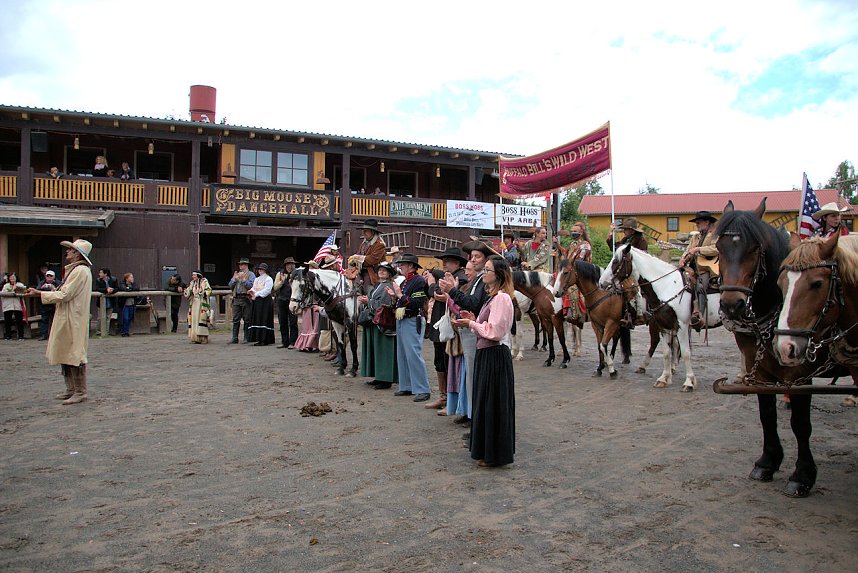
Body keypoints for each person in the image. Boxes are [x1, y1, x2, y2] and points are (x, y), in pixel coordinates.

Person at [452, 255, 516, 468]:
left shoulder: (502, 299)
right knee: (485, 403)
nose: (484, 273)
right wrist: (473, 321)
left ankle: (494, 454)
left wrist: (472, 324)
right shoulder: (492, 298)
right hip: (486, 354)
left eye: (488, 270)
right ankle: (487, 451)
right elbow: (486, 326)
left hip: (495, 355)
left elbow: (494, 332)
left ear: (498, 275)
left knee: (492, 405)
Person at [26, 239, 94, 405]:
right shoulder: (76, 270)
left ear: (77, 254)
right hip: (68, 315)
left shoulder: (80, 271)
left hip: (73, 317)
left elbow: (65, 294)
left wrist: (40, 294)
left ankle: (80, 391)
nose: (67, 252)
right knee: (66, 351)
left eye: (71, 250)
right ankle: (71, 389)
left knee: (74, 353)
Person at [439, 240, 493, 425]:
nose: (473, 260)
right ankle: (471, 414)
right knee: (469, 376)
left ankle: (475, 417)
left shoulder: (483, 280)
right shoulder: (478, 280)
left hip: (476, 331)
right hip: (470, 330)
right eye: (472, 257)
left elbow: (473, 303)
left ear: (486, 260)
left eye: (478, 257)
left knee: (474, 377)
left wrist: (452, 291)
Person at [423, 246, 468, 411]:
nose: (444, 264)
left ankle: (451, 400)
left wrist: (431, 284)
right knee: (439, 362)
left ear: (456, 263)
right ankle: (443, 397)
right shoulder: (449, 277)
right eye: (444, 261)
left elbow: (437, 293)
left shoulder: (460, 279)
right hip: (440, 325)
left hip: (450, 327)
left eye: (447, 261)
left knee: (449, 363)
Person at [386, 253, 431, 402]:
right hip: (403, 319)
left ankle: (423, 389)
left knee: (413, 354)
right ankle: (407, 385)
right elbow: (403, 300)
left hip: (412, 319)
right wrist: (395, 296)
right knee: (403, 354)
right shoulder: (406, 281)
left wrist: (399, 295)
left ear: (411, 266)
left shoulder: (418, 281)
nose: (400, 266)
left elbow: (417, 303)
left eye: (403, 264)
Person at [443, 261, 476, 416]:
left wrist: (450, 296)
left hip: (466, 336)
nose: (466, 272)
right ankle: (461, 409)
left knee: (465, 375)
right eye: (466, 269)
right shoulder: (466, 287)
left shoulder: (472, 288)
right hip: (458, 336)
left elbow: (460, 309)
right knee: (458, 373)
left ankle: (467, 411)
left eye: (469, 270)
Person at [359, 261, 399, 389]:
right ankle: (378, 376)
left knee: (383, 350)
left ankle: (385, 379)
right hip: (375, 322)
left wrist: (368, 301)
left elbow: (384, 305)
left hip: (383, 323)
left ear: (389, 274)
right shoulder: (378, 285)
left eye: (384, 270)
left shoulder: (388, 286)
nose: (381, 272)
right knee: (376, 350)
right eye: (380, 270)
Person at [607, 217, 649, 332]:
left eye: (626, 229)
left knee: (633, 289)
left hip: (636, 270)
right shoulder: (625, 240)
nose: (624, 231)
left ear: (631, 230)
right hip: (625, 270)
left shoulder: (641, 241)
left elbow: (643, 257)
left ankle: (638, 314)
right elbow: (614, 248)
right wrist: (611, 233)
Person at [679, 211, 720, 329]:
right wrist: (683, 258)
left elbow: (716, 248)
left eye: (698, 222)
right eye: (696, 223)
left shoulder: (715, 235)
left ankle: (699, 315)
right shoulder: (695, 237)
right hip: (692, 268)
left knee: (701, 286)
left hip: (706, 269)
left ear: (707, 222)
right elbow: (688, 250)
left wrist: (698, 249)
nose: (696, 225)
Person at [559, 222, 592, 322]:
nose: (573, 233)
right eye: (572, 231)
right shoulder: (573, 244)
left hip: (582, 273)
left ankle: (575, 312)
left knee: (571, 287)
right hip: (572, 270)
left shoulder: (585, 245)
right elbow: (565, 253)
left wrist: (567, 263)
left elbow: (578, 261)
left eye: (575, 231)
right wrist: (557, 244)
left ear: (581, 233)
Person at [273, 257, 298, 349]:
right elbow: (275, 287)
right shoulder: (280, 274)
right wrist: (282, 281)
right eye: (288, 264)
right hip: (282, 299)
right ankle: (284, 342)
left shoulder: (296, 274)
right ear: (285, 265)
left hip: (292, 300)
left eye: (292, 264)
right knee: (282, 321)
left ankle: (293, 342)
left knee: (293, 322)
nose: (290, 266)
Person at [228, 257, 255, 344]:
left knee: (247, 319)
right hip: (236, 298)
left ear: (246, 265)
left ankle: (246, 337)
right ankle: (234, 338)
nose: (240, 266)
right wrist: (234, 280)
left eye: (242, 264)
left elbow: (251, 286)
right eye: (240, 264)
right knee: (235, 319)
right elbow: (230, 286)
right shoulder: (236, 274)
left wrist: (243, 280)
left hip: (246, 298)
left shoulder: (251, 274)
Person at [248, 262, 275, 346]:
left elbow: (267, 290)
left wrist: (256, 294)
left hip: (265, 301)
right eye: (259, 269)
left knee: (264, 318)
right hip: (257, 301)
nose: (260, 270)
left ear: (265, 270)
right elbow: (254, 287)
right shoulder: (257, 279)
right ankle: (258, 338)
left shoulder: (268, 279)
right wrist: (251, 291)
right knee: (257, 318)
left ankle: (265, 339)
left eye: (262, 269)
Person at [354, 219, 387, 288]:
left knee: (367, 288)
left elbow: (372, 260)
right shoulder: (364, 243)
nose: (364, 233)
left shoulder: (379, 244)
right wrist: (355, 258)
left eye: (366, 231)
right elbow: (358, 254)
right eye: (363, 230)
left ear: (372, 232)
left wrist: (357, 258)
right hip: (361, 270)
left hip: (373, 273)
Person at [184, 270, 212, 344]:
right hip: (194, 303)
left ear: (198, 275)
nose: (193, 276)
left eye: (194, 275)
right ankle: (195, 337)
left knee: (201, 319)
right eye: (192, 275)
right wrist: (187, 292)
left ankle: (203, 338)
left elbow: (209, 290)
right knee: (194, 319)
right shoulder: (192, 283)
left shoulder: (204, 281)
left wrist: (203, 292)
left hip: (201, 303)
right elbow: (189, 291)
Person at [37, 270, 62, 340]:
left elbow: (62, 291)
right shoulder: (42, 283)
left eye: (51, 276)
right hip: (45, 304)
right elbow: (37, 289)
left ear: (54, 277)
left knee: (56, 320)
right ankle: (43, 335)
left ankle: (56, 335)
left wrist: (53, 288)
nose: (49, 277)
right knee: (44, 320)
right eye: (48, 276)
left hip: (55, 304)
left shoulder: (58, 283)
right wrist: (42, 288)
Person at [2, 272, 27, 340]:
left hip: (17, 305)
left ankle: (21, 336)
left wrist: (16, 290)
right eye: (11, 277)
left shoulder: (20, 284)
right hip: (8, 305)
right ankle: (8, 336)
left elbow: (24, 292)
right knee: (7, 321)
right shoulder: (6, 285)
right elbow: (3, 292)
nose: (12, 279)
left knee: (19, 321)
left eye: (13, 277)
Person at [94, 268, 118, 333]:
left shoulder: (113, 280)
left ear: (105, 274)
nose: (99, 274)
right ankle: (99, 331)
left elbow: (117, 288)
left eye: (101, 273)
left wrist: (112, 290)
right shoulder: (98, 280)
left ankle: (106, 331)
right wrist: (106, 290)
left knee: (108, 317)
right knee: (100, 317)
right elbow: (98, 289)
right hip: (101, 301)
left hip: (110, 301)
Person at [118, 272, 139, 337]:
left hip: (132, 304)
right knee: (125, 318)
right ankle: (123, 331)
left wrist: (130, 289)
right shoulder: (122, 283)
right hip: (125, 304)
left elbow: (137, 288)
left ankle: (127, 331)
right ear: (127, 278)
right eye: (131, 277)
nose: (132, 278)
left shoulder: (134, 284)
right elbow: (123, 288)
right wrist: (129, 290)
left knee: (130, 318)